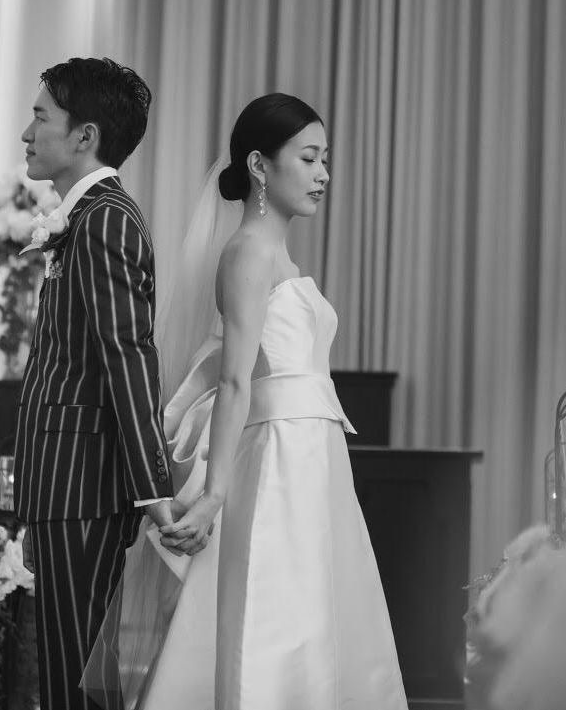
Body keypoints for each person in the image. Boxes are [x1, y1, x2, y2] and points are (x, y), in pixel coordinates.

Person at [83, 93, 408, 710]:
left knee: (317, 611)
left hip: (314, 454)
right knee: (277, 613)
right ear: (260, 165)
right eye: (308, 158)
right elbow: (234, 381)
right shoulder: (249, 253)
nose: (323, 174)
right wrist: (213, 496)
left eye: (325, 159)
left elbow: (230, 368)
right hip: (281, 455)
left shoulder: (274, 253)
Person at [14, 57, 176, 710]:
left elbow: (127, 356)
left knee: (77, 681)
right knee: (69, 677)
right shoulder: (83, 217)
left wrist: (152, 489)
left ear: (85, 135)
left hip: (83, 484)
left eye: (40, 116)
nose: (27, 132)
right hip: (63, 484)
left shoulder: (105, 219)